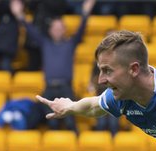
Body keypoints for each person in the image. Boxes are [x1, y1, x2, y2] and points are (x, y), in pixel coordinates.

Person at [11, 0, 96, 133]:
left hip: (66, 88)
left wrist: (85, 12)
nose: (57, 30)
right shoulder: (45, 43)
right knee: (52, 123)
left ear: (64, 30)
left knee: (70, 122)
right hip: (49, 88)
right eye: (54, 28)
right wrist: (19, 15)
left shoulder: (70, 43)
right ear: (50, 30)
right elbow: (30, 30)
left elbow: (81, 29)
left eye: (60, 27)